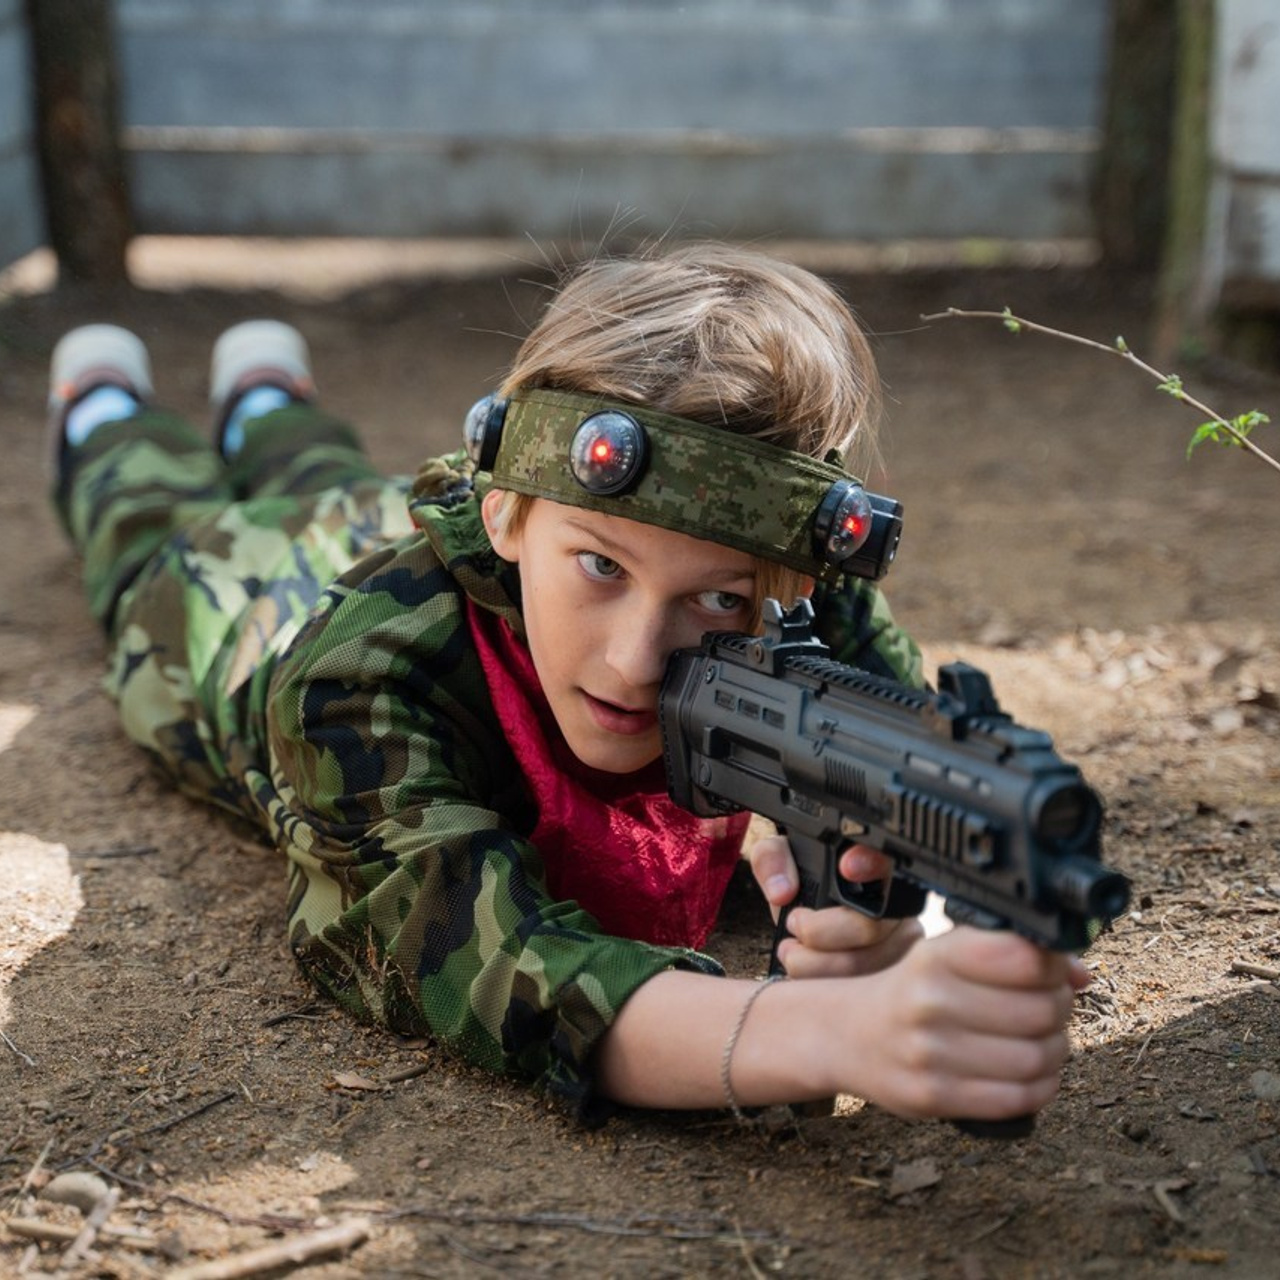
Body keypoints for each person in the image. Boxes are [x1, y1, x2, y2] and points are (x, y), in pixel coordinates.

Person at [49, 243, 1087, 1126]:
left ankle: (267, 397)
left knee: (326, 477)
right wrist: (818, 1033)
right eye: (602, 565)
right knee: (146, 519)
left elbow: (908, 801)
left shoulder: (811, 622)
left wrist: (910, 928)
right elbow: (493, 956)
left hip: (385, 521)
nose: (637, 658)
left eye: (716, 598)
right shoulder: (356, 680)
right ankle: (103, 403)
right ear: (501, 511)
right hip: (238, 614)